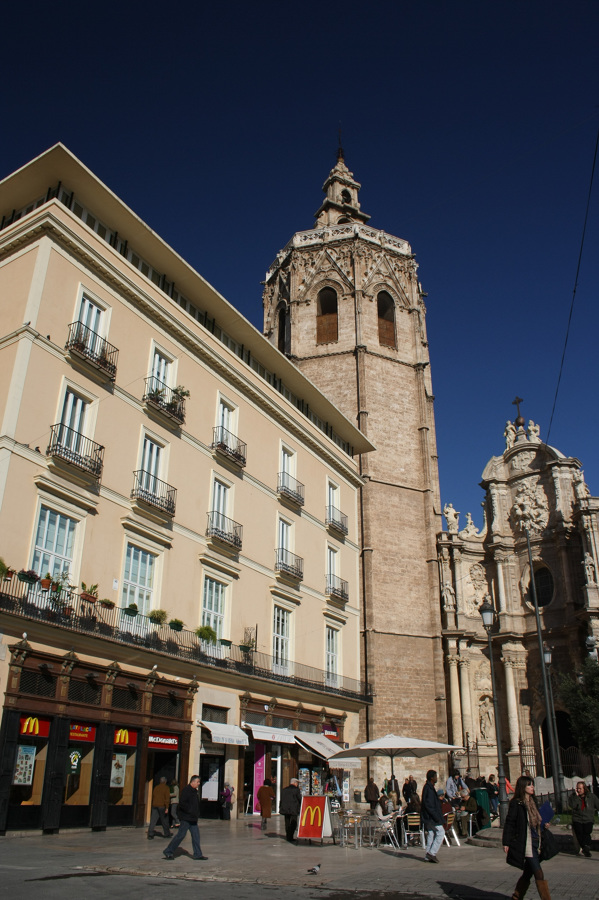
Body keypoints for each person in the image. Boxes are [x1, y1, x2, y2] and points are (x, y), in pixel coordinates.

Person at [502, 774, 552, 900]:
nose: (532, 787)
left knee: (528, 872)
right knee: (538, 873)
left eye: (532, 784)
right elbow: (510, 823)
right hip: (527, 842)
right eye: (529, 785)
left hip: (537, 840)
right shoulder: (516, 803)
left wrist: (544, 823)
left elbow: (537, 819)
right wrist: (506, 842)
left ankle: (516, 896)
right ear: (523, 787)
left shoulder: (533, 801)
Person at [163, 775, 208, 860]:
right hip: (186, 818)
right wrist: (190, 811)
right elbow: (183, 804)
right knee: (181, 835)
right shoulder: (186, 790)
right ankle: (168, 851)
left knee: (196, 836)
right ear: (193, 782)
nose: (198, 784)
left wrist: (196, 813)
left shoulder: (194, 791)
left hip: (193, 819)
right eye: (197, 782)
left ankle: (198, 854)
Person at [570, 780, 599, 857]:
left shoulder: (591, 797)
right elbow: (572, 805)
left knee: (587, 832)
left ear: (584, 788)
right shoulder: (573, 797)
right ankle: (585, 848)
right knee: (579, 832)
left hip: (588, 818)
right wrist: (576, 796)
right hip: (577, 818)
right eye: (577, 788)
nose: (578, 790)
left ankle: (586, 847)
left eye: (580, 788)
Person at [421, 769, 445, 864]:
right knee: (440, 832)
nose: (436, 778)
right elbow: (429, 805)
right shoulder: (429, 788)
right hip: (431, 817)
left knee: (431, 834)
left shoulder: (428, 787)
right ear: (432, 778)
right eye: (435, 776)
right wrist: (436, 816)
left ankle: (428, 855)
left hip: (428, 817)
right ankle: (432, 853)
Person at [279, 777, 302, 843]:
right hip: (293, 809)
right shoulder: (296, 790)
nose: (297, 784)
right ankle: (290, 836)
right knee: (294, 823)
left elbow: (282, 799)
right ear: (295, 783)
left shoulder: (284, 790)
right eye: (297, 783)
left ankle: (288, 836)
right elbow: (299, 799)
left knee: (287, 822)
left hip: (285, 808)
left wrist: (281, 807)